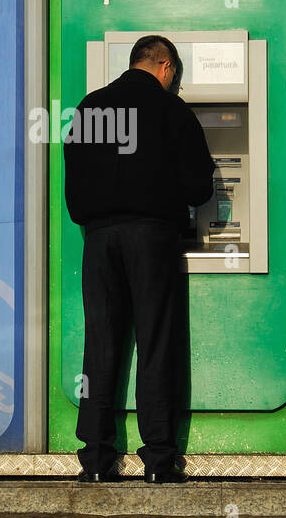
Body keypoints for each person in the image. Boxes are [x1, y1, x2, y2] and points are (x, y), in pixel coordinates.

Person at [64, 35, 215, 484]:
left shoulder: (90, 108)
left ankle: (95, 459)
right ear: (165, 67)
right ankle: (160, 460)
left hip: (99, 238)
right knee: (157, 344)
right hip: (153, 238)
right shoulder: (174, 111)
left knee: (102, 343)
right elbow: (199, 188)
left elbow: (74, 188)